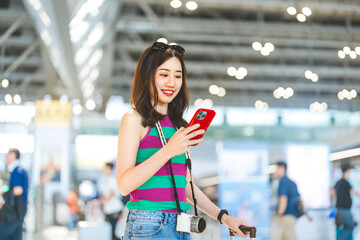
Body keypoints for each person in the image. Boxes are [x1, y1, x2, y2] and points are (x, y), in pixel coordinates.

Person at [116, 42, 249, 240]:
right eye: (164, 74)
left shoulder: (178, 126)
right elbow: (124, 185)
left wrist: (224, 218)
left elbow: (184, 185)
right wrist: (169, 150)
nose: (172, 83)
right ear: (147, 76)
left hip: (181, 225)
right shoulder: (134, 119)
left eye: (178, 76)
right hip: (148, 224)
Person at [272, 161, 311, 240]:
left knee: (290, 237)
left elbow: (283, 199)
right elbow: (299, 199)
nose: (275, 172)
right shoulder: (292, 183)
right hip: (294, 215)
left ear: (282, 168)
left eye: (277, 169)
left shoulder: (282, 182)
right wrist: (307, 214)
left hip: (286, 216)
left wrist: (280, 214)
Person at [0, 148, 29, 240]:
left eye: (8, 154)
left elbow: (18, 190)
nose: (6, 157)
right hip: (17, 211)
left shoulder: (17, 171)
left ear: (13, 156)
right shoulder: (18, 170)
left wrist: (3, 192)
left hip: (13, 212)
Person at [332, 163, 360, 240]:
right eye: (349, 172)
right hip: (344, 209)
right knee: (349, 227)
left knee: (346, 225)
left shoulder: (338, 182)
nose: (350, 174)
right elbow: (354, 192)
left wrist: (338, 198)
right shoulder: (345, 182)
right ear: (346, 172)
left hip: (340, 208)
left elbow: (333, 192)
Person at [95, 162, 123, 240]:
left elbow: (111, 195)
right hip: (108, 210)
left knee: (112, 233)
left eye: (105, 168)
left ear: (110, 170)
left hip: (115, 210)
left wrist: (99, 202)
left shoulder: (112, 179)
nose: (103, 170)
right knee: (108, 232)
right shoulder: (105, 179)